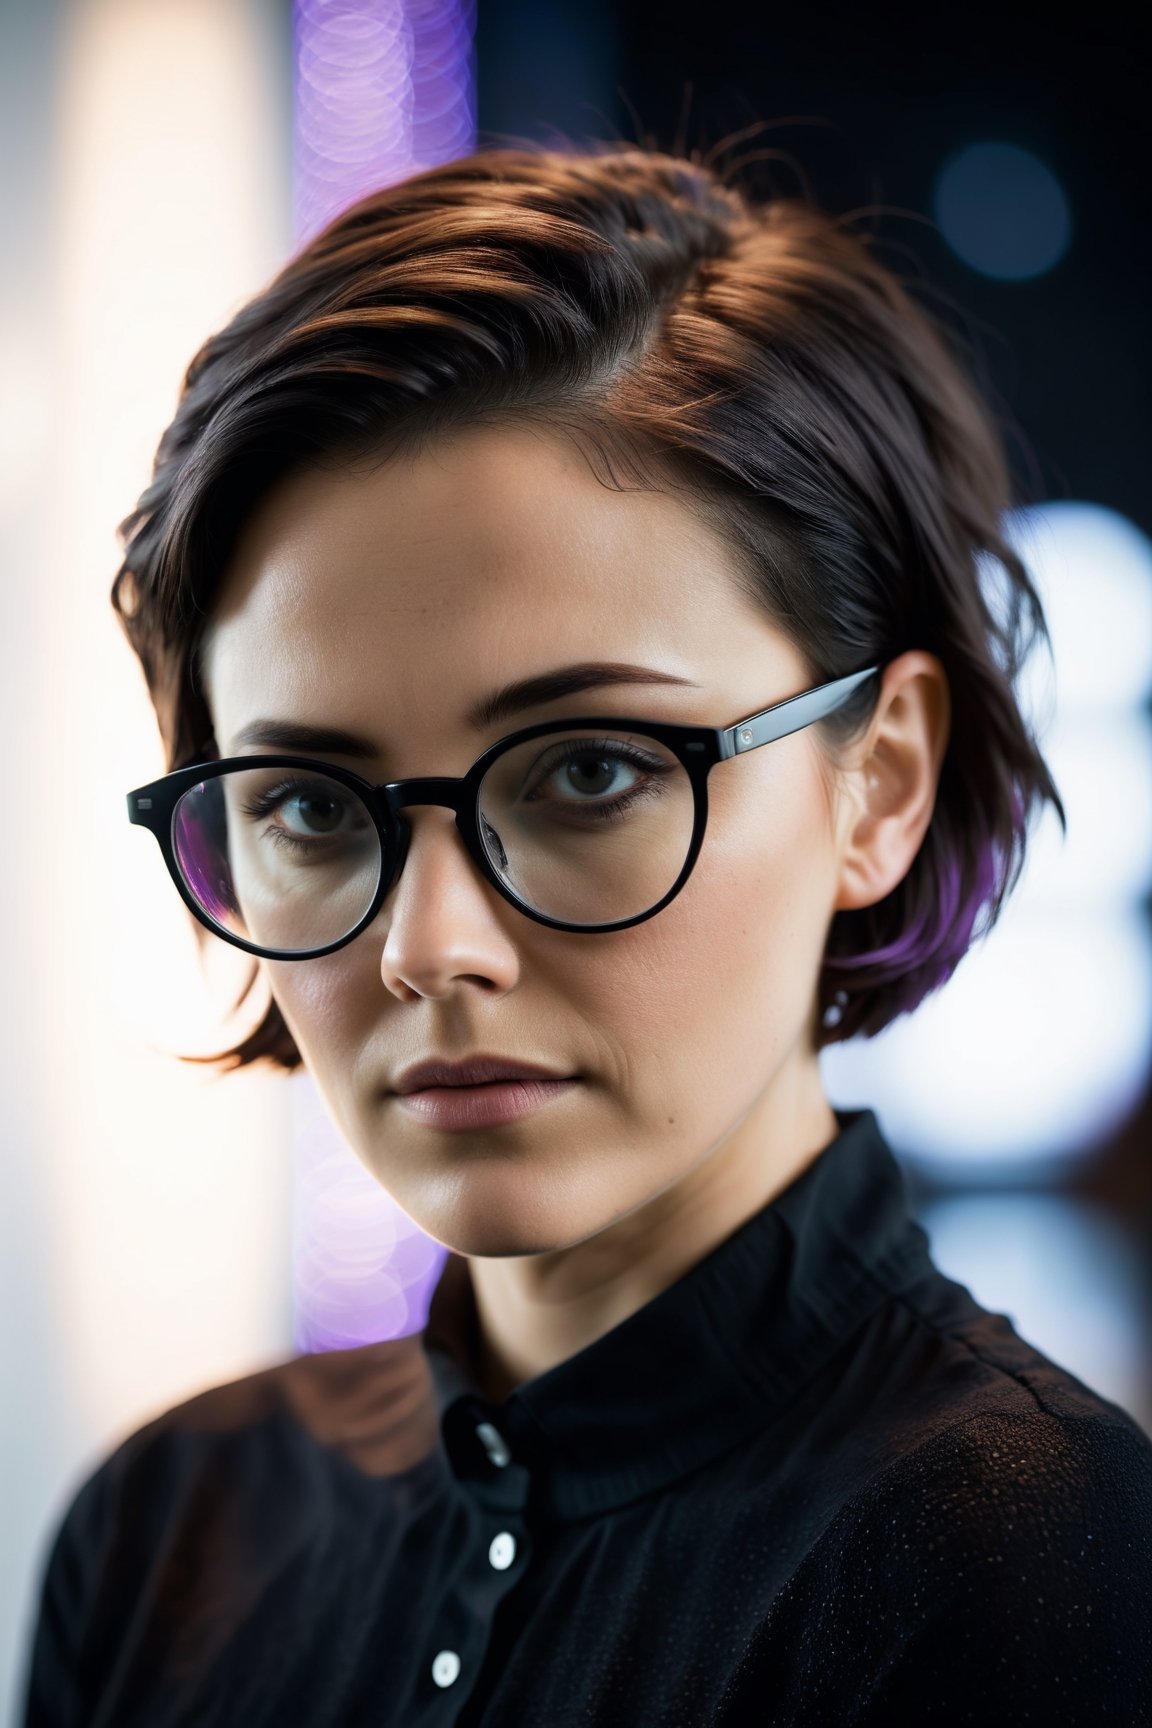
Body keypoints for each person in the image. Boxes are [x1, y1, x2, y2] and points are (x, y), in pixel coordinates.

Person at [20, 139, 1152, 1726]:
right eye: (311, 806)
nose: (430, 945)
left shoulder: (1036, 1563)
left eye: (590, 772)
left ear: (879, 780)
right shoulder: (169, 1530)